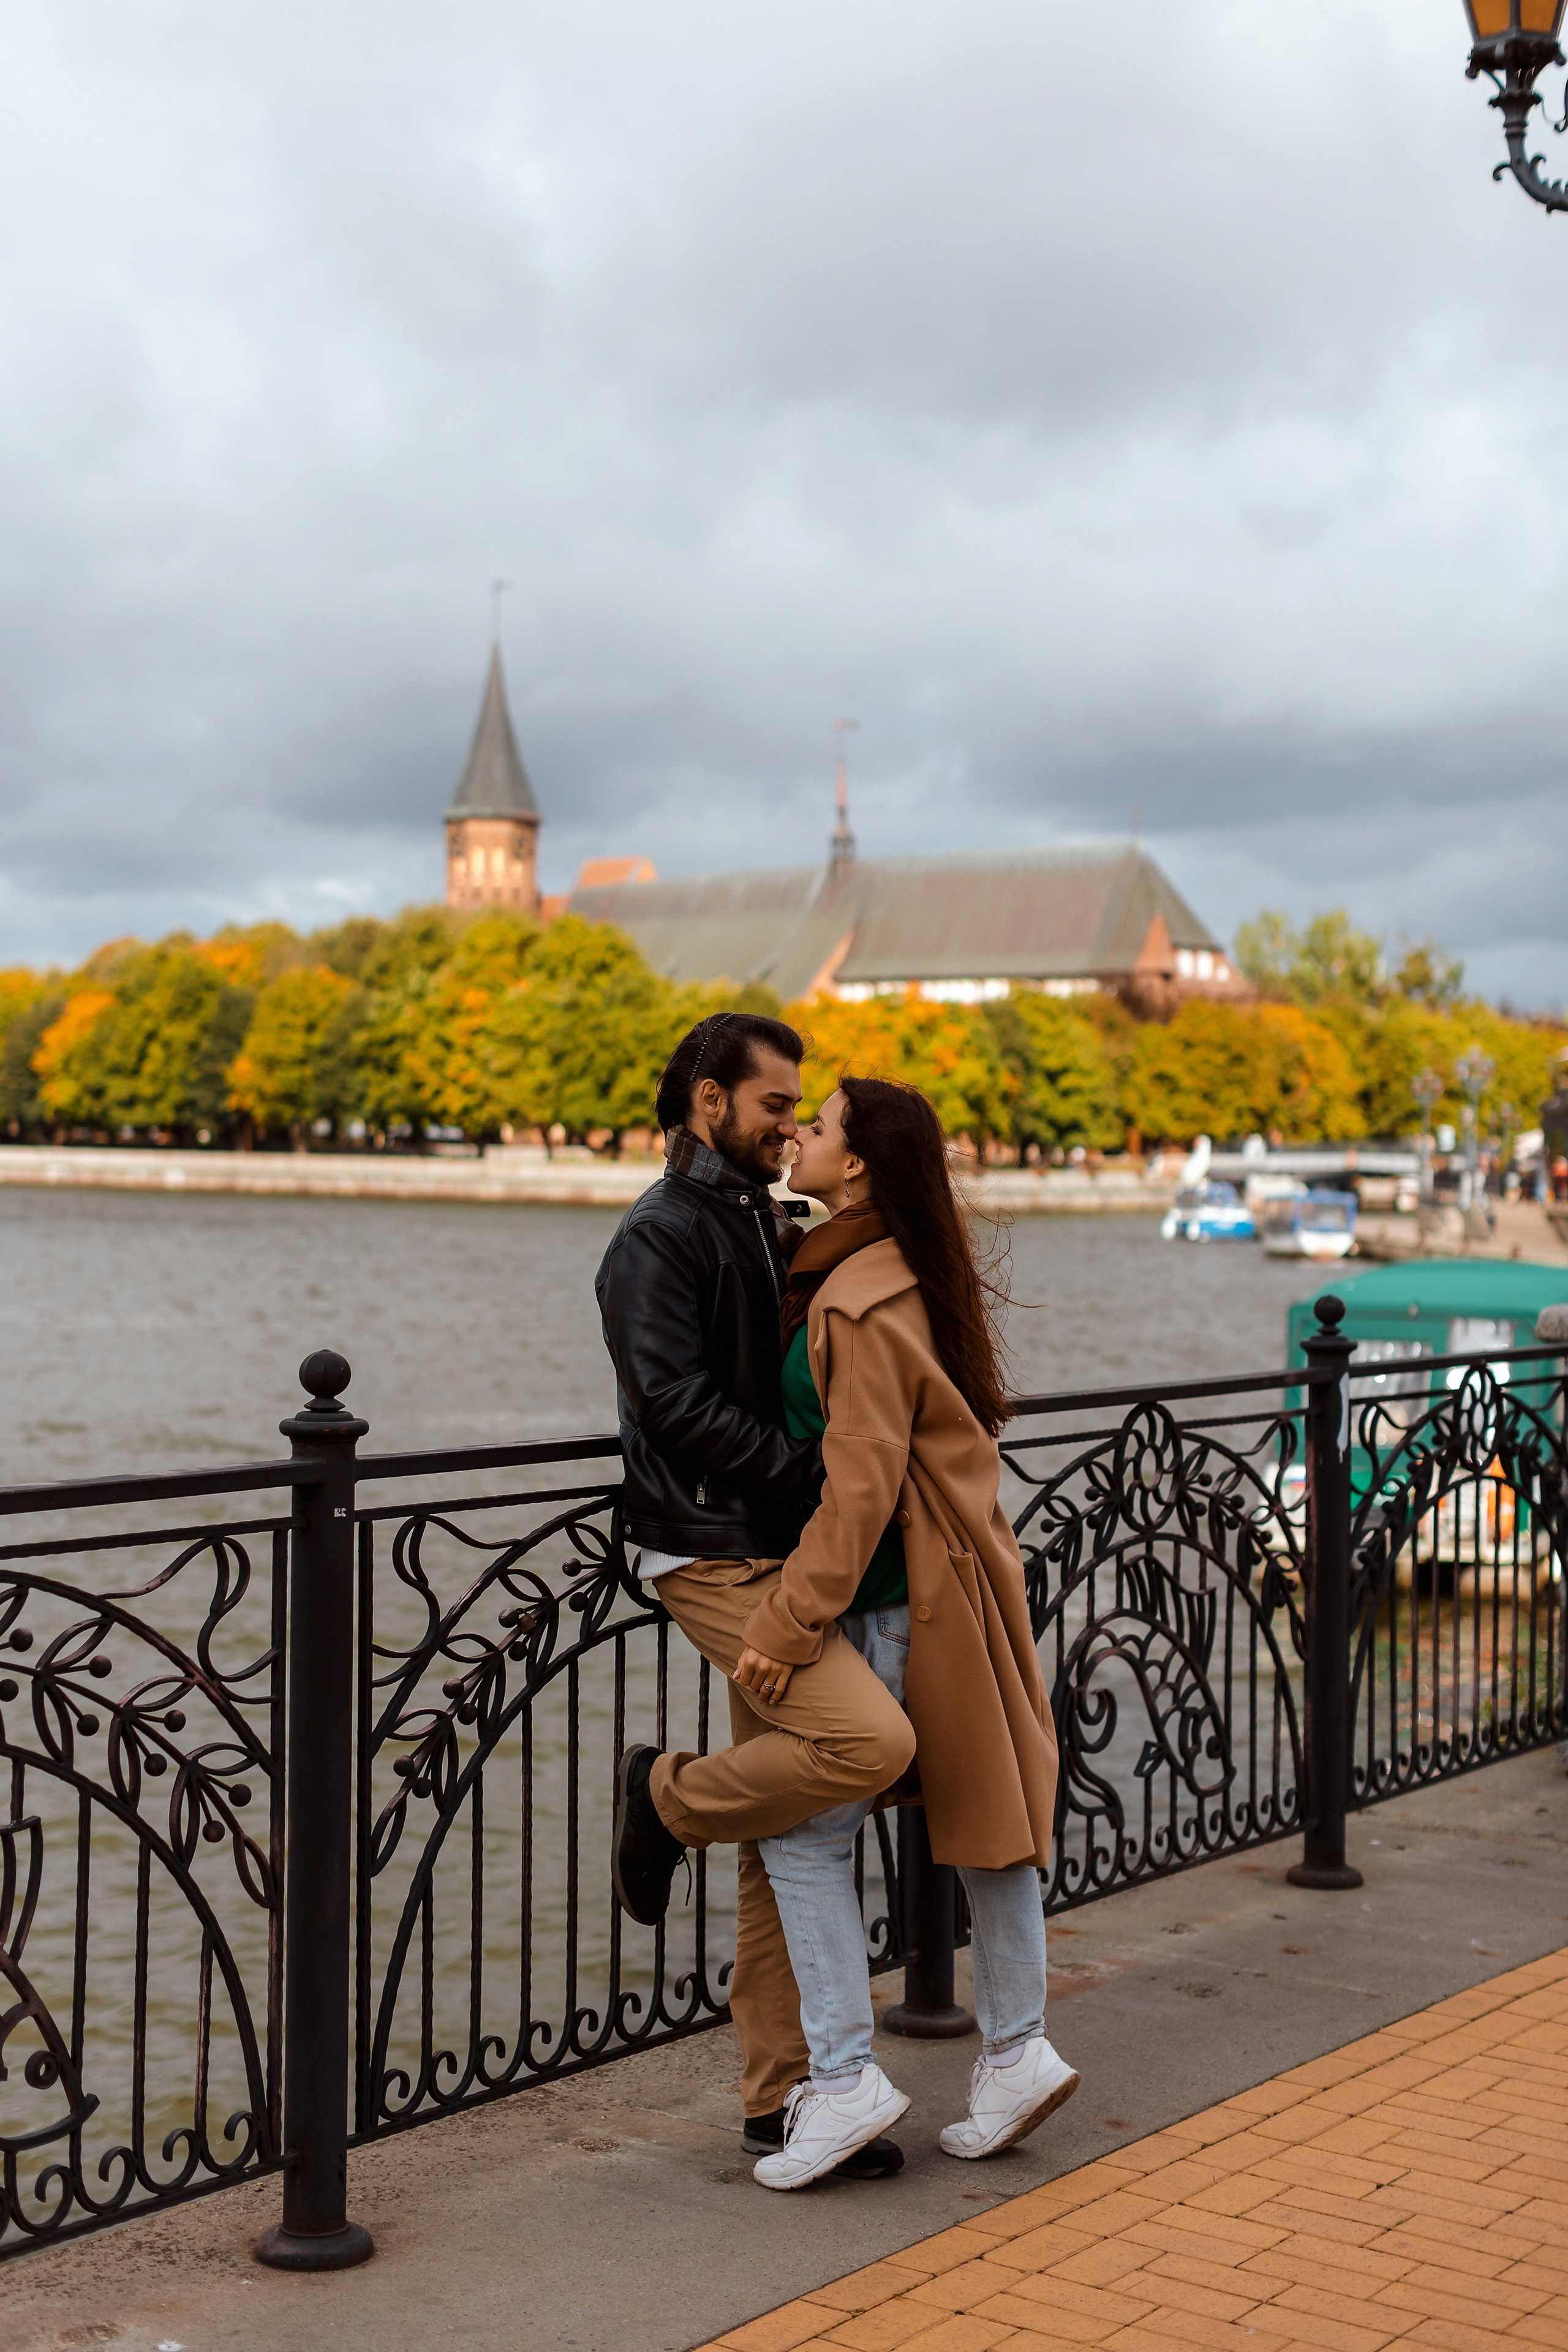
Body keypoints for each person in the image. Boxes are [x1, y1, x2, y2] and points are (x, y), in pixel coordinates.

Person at [734, 1072, 1079, 2187]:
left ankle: (841, 2082)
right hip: (941, 1589)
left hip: (891, 1603)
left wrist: (787, 1621)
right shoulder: (890, 1268)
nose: (799, 1135)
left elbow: (862, 1487)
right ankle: (1016, 2052)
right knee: (991, 1816)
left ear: (863, 1163)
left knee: (803, 1835)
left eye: (820, 1126)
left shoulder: (856, 1298)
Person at [595, 1012, 911, 2177]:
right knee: (868, 1743)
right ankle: (666, 1797)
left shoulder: (764, 1219)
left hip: (784, 1550)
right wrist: (815, 1474)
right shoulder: (654, 1237)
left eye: (799, 1111)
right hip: (709, 1551)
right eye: (775, 1106)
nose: (790, 1126)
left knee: (779, 1822)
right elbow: (671, 1404)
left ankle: (783, 2101)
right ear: (709, 1102)